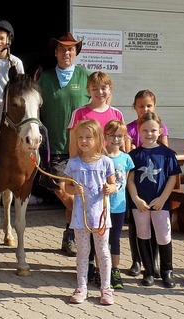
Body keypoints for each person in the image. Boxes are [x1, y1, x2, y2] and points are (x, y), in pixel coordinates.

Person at [66, 70, 123, 285]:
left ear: (110, 89)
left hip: (108, 177)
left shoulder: (117, 114)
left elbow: (122, 146)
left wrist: (117, 181)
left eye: (104, 87)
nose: (100, 92)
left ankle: (108, 273)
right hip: (84, 174)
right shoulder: (80, 113)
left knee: (109, 225)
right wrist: (73, 173)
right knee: (84, 222)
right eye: (95, 88)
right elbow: (73, 144)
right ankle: (87, 268)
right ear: (88, 90)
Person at [37, 31, 91, 257]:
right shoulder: (45, 77)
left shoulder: (85, 77)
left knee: (77, 194)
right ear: (56, 52)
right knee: (61, 191)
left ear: (75, 52)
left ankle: (70, 236)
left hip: (81, 148)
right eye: (62, 49)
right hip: (54, 147)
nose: (66, 53)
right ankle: (88, 225)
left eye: (70, 49)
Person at [63, 119, 116, 305]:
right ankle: (81, 287)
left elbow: (113, 184)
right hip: (80, 216)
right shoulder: (73, 163)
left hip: (100, 216)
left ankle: (106, 288)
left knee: (102, 251)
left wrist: (110, 188)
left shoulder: (106, 162)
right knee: (83, 252)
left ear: (98, 139)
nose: (84, 141)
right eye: (80, 138)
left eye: (88, 137)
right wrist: (73, 189)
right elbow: (67, 187)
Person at [127, 111, 181, 288]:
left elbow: (172, 178)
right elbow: (130, 179)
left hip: (160, 203)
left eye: (153, 130)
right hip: (140, 204)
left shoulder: (167, 154)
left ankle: (167, 271)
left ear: (160, 131)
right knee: (143, 234)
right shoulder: (134, 155)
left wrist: (162, 198)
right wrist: (136, 198)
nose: (149, 134)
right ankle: (148, 271)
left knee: (163, 235)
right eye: (145, 131)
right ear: (139, 131)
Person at [125, 89, 168, 279]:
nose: (144, 109)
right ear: (134, 107)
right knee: (136, 224)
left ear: (155, 106)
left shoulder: (160, 127)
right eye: (141, 106)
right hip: (136, 184)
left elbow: (164, 150)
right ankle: (136, 260)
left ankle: (154, 261)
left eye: (149, 105)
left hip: (156, 186)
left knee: (156, 225)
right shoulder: (130, 128)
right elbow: (128, 153)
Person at [103, 120, 134, 290]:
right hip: (102, 206)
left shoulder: (126, 158)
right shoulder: (101, 156)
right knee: (100, 239)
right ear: (105, 136)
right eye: (112, 135)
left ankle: (115, 270)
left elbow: (127, 182)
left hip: (119, 206)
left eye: (119, 136)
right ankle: (99, 269)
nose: (116, 139)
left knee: (115, 239)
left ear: (124, 138)